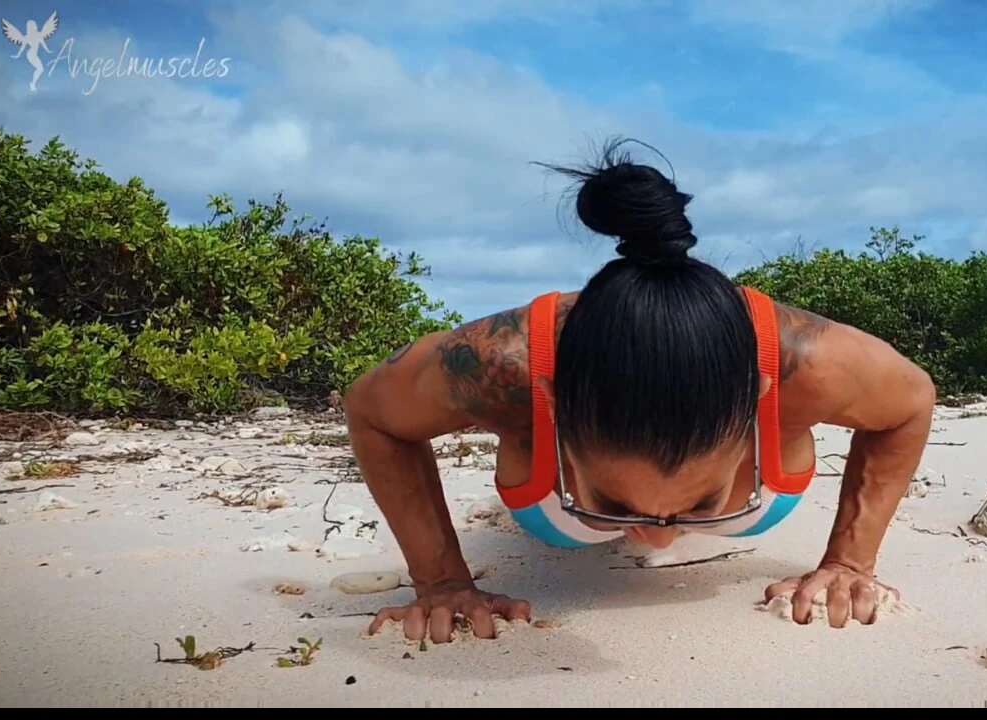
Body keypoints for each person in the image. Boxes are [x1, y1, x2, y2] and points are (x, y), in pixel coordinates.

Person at [343, 139, 937, 647]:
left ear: (759, 398)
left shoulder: (807, 363)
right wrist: (442, 582)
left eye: (703, 502)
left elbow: (910, 402)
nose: (655, 540)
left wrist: (849, 562)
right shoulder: (502, 364)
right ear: (551, 399)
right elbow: (373, 411)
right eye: (614, 504)